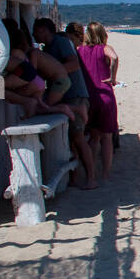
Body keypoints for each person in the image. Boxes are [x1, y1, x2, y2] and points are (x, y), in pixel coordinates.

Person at [32, 17, 98, 189]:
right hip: (66, 96)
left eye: (36, 30)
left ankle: (91, 178)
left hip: (74, 95)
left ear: (44, 30)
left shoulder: (60, 42)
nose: (33, 34)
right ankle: (75, 177)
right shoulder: (49, 47)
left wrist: (56, 72)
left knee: (78, 138)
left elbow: (74, 63)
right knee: (71, 140)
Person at [79, 22, 120, 182]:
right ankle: (105, 173)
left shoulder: (79, 50)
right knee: (107, 137)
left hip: (88, 95)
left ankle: (91, 172)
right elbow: (115, 57)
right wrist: (113, 77)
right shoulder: (104, 48)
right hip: (104, 93)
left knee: (93, 136)